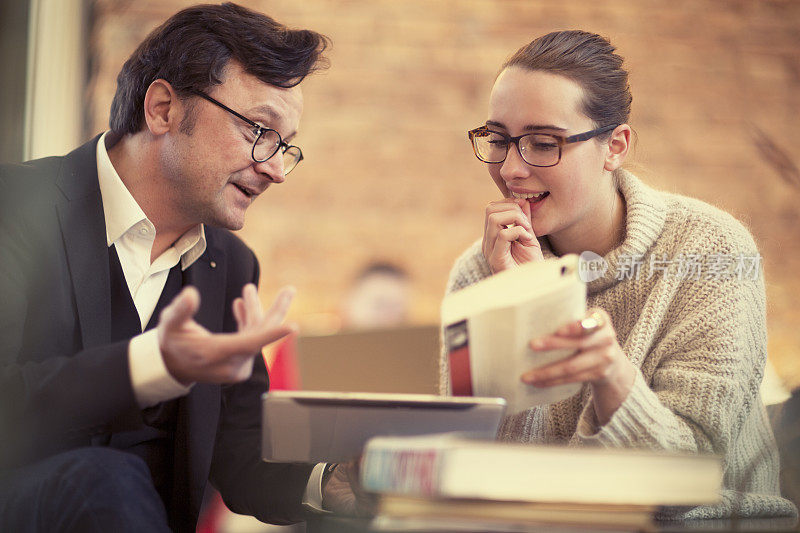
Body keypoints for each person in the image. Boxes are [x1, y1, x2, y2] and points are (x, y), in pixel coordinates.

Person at [0, 3, 361, 532]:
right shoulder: (15, 205)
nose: (277, 170)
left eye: (285, 146)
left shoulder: (232, 266)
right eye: (260, 130)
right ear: (163, 109)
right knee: (103, 479)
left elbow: (240, 455)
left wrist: (329, 482)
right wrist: (152, 363)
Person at [440, 30, 798, 519]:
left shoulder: (711, 251)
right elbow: (470, 463)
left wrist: (614, 379)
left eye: (544, 143)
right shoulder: (478, 271)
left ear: (615, 146)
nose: (512, 169)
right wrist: (525, 298)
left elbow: (694, 474)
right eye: (499, 141)